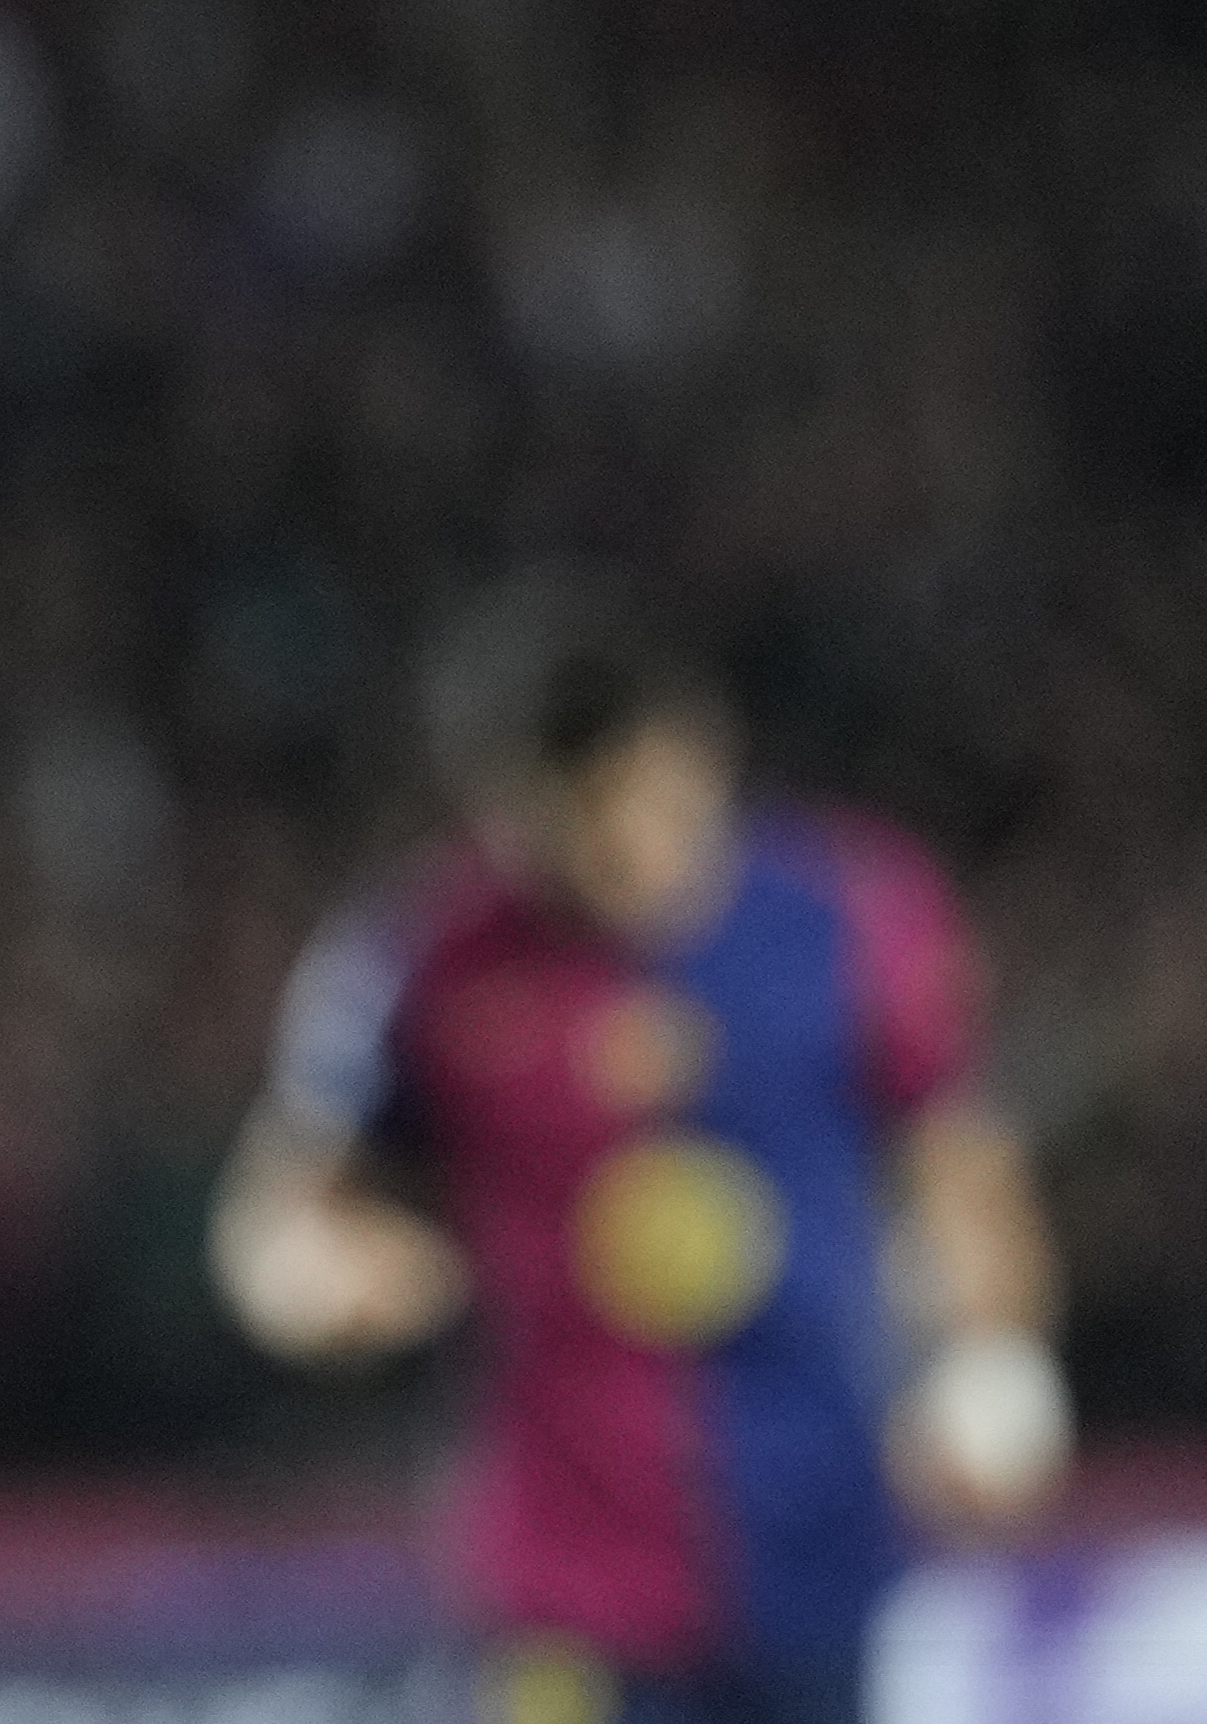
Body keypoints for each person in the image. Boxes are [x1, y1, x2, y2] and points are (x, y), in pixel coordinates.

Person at [214, 583, 1065, 1724]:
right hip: (561, 1574)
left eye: (643, 806)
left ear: (701, 756)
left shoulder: (853, 913)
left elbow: (961, 1169)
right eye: (573, 827)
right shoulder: (416, 962)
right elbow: (282, 1215)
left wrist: (989, 1357)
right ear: (500, 814)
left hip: (816, 1545)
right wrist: (322, 1280)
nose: (622, 852)